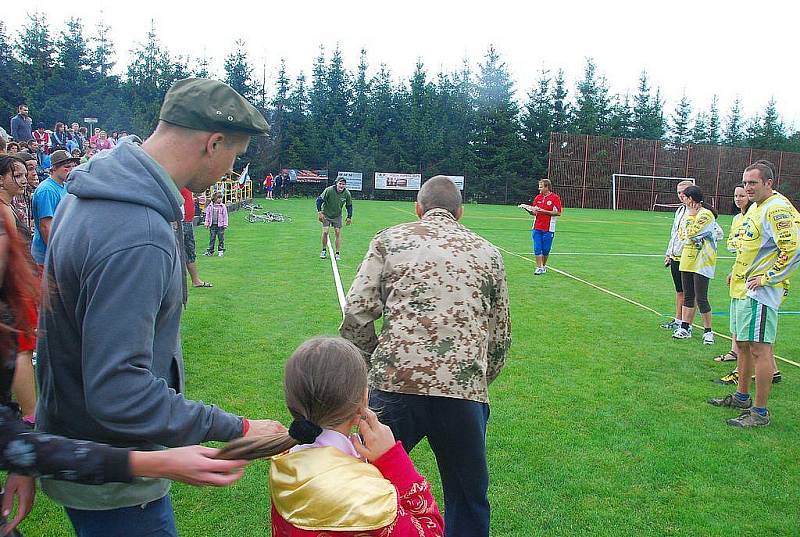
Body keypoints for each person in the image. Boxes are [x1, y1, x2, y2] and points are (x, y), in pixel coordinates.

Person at [35, 78, 282, 535]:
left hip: (80, 445)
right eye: (235, 156)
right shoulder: (139, 233)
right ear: (213, 143)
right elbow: (118, 390)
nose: (231, 171)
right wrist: (237, 426)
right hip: (112, 472)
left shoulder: (94, 185)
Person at [340, 175, 511, 537]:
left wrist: (373, 363)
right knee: (467, 499)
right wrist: (475, 379)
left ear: (418, 209)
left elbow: (356, 310)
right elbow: (500, 338)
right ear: (460, 213)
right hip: (463, 394)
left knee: (358, 483)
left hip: (394, 384)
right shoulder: (489, 252)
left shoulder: (390, 240)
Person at [218, 337, 444, 536]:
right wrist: (393, 460)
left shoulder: (285, 460)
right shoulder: (368, 497)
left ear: (292, 402)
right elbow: (431, 530)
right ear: (363, 401)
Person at [708, 161, 800, 427]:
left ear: (768, 183)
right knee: (745, 346)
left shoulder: (776, 209)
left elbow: (793, 249)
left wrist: (769, 278)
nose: (747, 188)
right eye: (745, 182)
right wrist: (736, 271)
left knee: (760, 349)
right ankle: (741, 397)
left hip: (761, 293)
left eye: (753, 183)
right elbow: (752, 247)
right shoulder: (757, 208)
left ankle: (760, 413)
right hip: (743, 288)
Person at [671, 185, 720, 344]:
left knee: (701, 297)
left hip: (703, 261)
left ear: (691, 199)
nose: (682, 199)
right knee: (688, 295)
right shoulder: (686, 214)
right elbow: (682, 235)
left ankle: (708, 331)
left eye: (684, 197)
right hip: (687, 258)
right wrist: (689, 221)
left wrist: (691, 216)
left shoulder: (706, 215)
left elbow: (692, 233)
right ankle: (685, 327)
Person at [30, 149, 79, 267]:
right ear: (54, 168)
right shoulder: (47, 190)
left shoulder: (65, 186)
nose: (71, 170)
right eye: (67, 167)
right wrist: (56, 255)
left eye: (73, 166)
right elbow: (46, 226)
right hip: (46, 256)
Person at [518, 178, 562, 275]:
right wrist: (527, 209)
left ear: (547, 187)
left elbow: (558, 212)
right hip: (537, 227)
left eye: (541, 187)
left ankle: (543, 266)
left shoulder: (555, 198)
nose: (539, 189)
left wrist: (543, 211)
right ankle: (539, 267)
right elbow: (534, 213)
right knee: (537, 247)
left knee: (546, 249)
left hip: (549, 228)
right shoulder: (538, 198)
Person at [180, 187, 212, 287]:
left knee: (190, 251)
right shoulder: (177, 180)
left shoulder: (186, 182)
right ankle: (178, 284)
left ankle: (196, 280)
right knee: (177, 253)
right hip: (179, 221)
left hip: (188, 222)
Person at [316, 176, 353, 261]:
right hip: (326, 214)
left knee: (337, 232)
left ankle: (337, 253)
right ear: (336, 183)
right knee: (325, 232)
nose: (341, 186)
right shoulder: (329, 190)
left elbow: (349, 206)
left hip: (337, 215)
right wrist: (320, 212)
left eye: (343, 184)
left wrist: (349, 217)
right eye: (340, 183)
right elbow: (319, 200)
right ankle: (324, 250)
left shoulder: (347, 193)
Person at [204, 191, 228, 257]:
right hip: (212, 225)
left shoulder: (223, 206)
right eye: (218, 198)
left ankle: (221, 250)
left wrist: (225, 224)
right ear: (214, 198)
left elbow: (225, 216)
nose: (220, 199)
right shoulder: (210, 206)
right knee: (212, 238)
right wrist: (206, 223)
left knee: (221, 238)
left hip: (220, 226)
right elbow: (207, 215)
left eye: (221, 198)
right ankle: (210, 251)